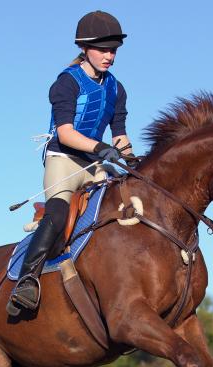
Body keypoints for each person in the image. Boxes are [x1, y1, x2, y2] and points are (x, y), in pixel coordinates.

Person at [7, 10, 136, 316]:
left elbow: (120, 137)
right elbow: (65, 134)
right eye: (103, 49)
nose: (110, 56)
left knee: (122, 209)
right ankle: (26, 281)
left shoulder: (117, 89)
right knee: (57, 215)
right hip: (64, 160)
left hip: (94, 164)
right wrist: (102, 148)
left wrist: (132, 160)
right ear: (84, 48)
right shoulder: (66, 83)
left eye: (113, 50)